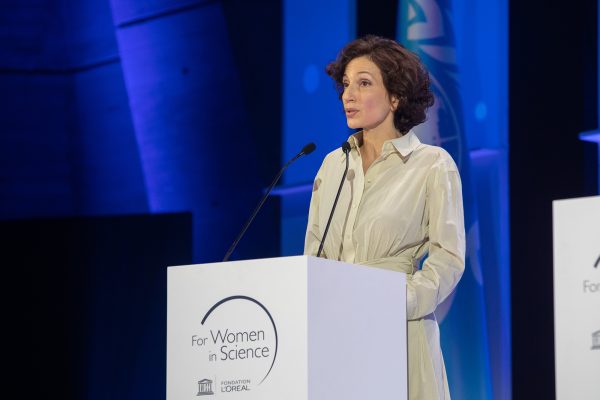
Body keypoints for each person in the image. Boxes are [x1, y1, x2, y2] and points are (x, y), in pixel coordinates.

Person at [304, 35, 465, 400]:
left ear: (396, 96)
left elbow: (448, 258)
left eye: (363, 83)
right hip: (338, 333)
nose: (348, 95)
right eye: (346, 84)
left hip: (399, 328)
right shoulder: (332, 165)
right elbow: (314, 253)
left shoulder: (432, 164)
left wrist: (401, 300)